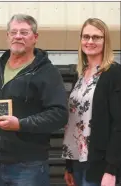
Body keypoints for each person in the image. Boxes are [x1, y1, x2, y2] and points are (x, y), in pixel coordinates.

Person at [0, 13, 69, 186]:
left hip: (30, 166)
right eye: (13, 32)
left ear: (35, 37)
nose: (18, 36)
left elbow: (59, 114)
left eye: (24, 32)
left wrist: (21, 124)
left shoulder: (47, 72)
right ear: (7, 36)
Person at [62, 18, 121, 186]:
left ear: (105, 41)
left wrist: (111, 169)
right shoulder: (79, 74)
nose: (90, 41)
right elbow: (74, 120)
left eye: (96, 37)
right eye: (86, 36)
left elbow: (119, 124)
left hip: (100, 164)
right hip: (77, 161)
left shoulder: (114, 74)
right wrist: (69, 166)